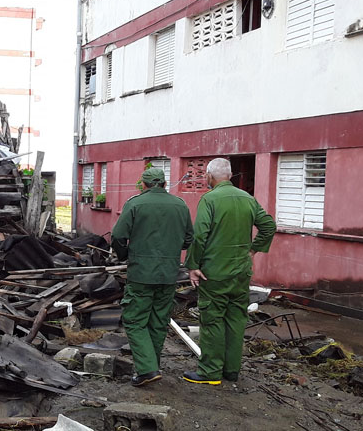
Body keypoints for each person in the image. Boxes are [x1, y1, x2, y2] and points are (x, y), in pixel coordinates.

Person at [182, 158, 276, 385]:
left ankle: (210, 373)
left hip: (215, 273)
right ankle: (231, 370)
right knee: (236, 319)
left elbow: (201, 234)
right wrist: (253, 251)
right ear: (230, 176)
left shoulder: (210, 199)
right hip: (241, 272)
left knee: (213, 319)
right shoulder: (247, 199)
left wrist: (193, 265)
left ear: (209, 177)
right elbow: (269, 226)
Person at [112, 167, 193, 387]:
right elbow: (188, 238)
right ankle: (151, 366)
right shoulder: (180, 205)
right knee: (158, 322)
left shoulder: (135, 204)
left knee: (135, 320)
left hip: (140, 273)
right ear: (165, 184)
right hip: (169, 273)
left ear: (144, 184)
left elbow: (118, 236)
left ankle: (147, 369)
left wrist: (124, 255)